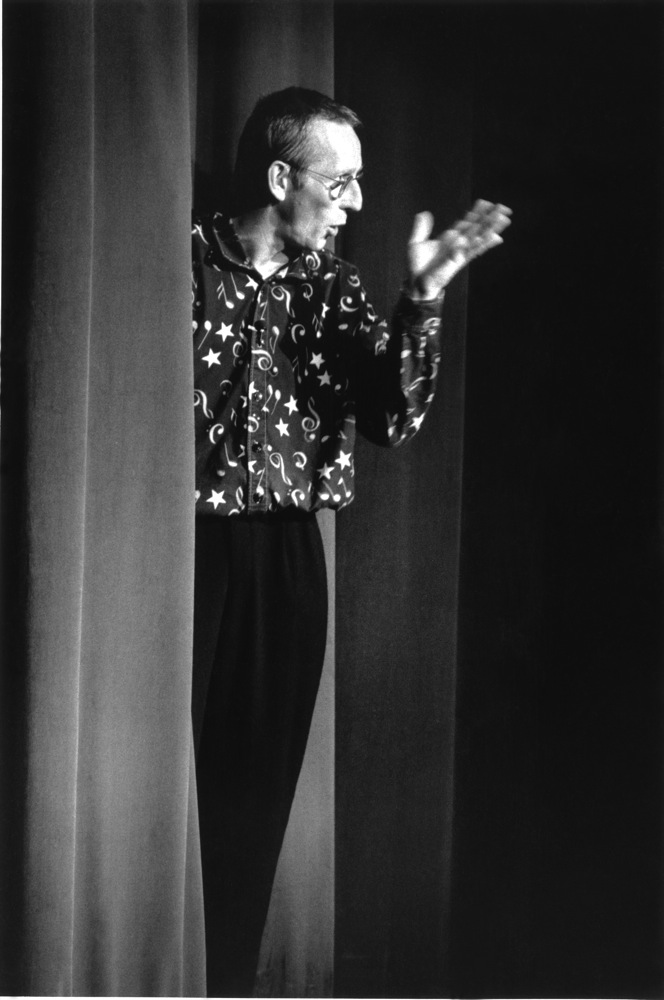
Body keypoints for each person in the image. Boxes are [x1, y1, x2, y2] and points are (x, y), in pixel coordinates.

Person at [192, 86, 511, 996]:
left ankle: (221, 982)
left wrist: (424, 296)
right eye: (341, 184)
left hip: (287, 556)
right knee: (163, 783)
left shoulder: (332, 287)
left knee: (254, 796)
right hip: (181, 553)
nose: (356, 205)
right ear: (280, 177)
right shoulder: (182, 257)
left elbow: (392, 419)